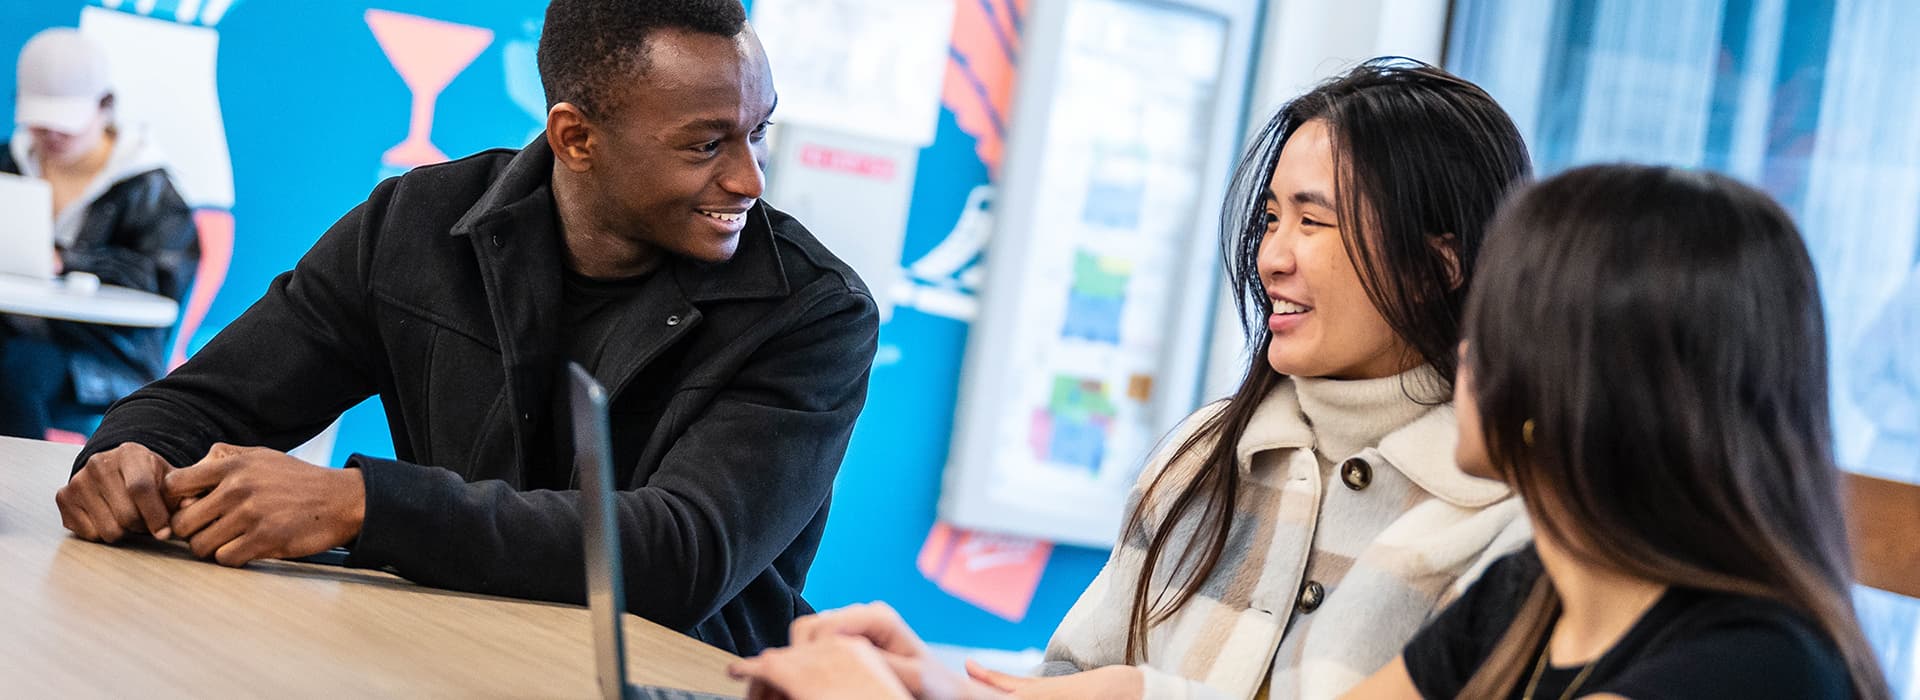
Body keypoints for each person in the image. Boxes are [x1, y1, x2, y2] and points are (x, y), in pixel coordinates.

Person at [51, 0, 878, 656]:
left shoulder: (815, 312)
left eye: (756, 131)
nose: (747, 178)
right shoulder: (413, 226)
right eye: (707, 144)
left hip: (680, 677)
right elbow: (199, 406)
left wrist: (363, 505)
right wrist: (127, 459)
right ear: (575, 138)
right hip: (440, 654)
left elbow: (678, 555)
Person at [731, 57, 1535, 699]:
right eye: (1270, 219)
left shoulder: (1511, 520)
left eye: (1313, 221)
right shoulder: (1206, 452)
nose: (1271, 257)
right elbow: (1071, 686)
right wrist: (935, 689)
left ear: (1438, 267)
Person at [1339, 165, 1892, 699]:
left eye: (1490, 327)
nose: (1464, 353)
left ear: (1576, 385)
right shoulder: (1526, 592)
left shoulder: (1758, 664)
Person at [0, 27, 198, 439]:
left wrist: (67, 260)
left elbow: (164, 280)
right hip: (16, 330)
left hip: (105, 355)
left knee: (15, 371)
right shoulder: (11, 160)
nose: (52, 136)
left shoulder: (149, 187)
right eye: (41, 124)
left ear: (105, 107)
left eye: (65, 125)